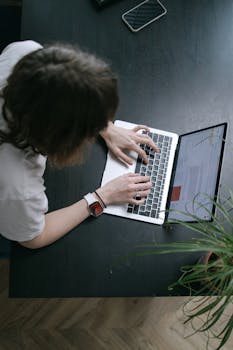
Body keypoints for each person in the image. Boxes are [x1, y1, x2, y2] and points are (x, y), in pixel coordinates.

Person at [0, 40, 158, 249]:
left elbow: (57, 90)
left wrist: (102, 124)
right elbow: (33, 238)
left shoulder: (26, 54)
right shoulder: (17, 185)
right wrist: (101, 197)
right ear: (61, 137)